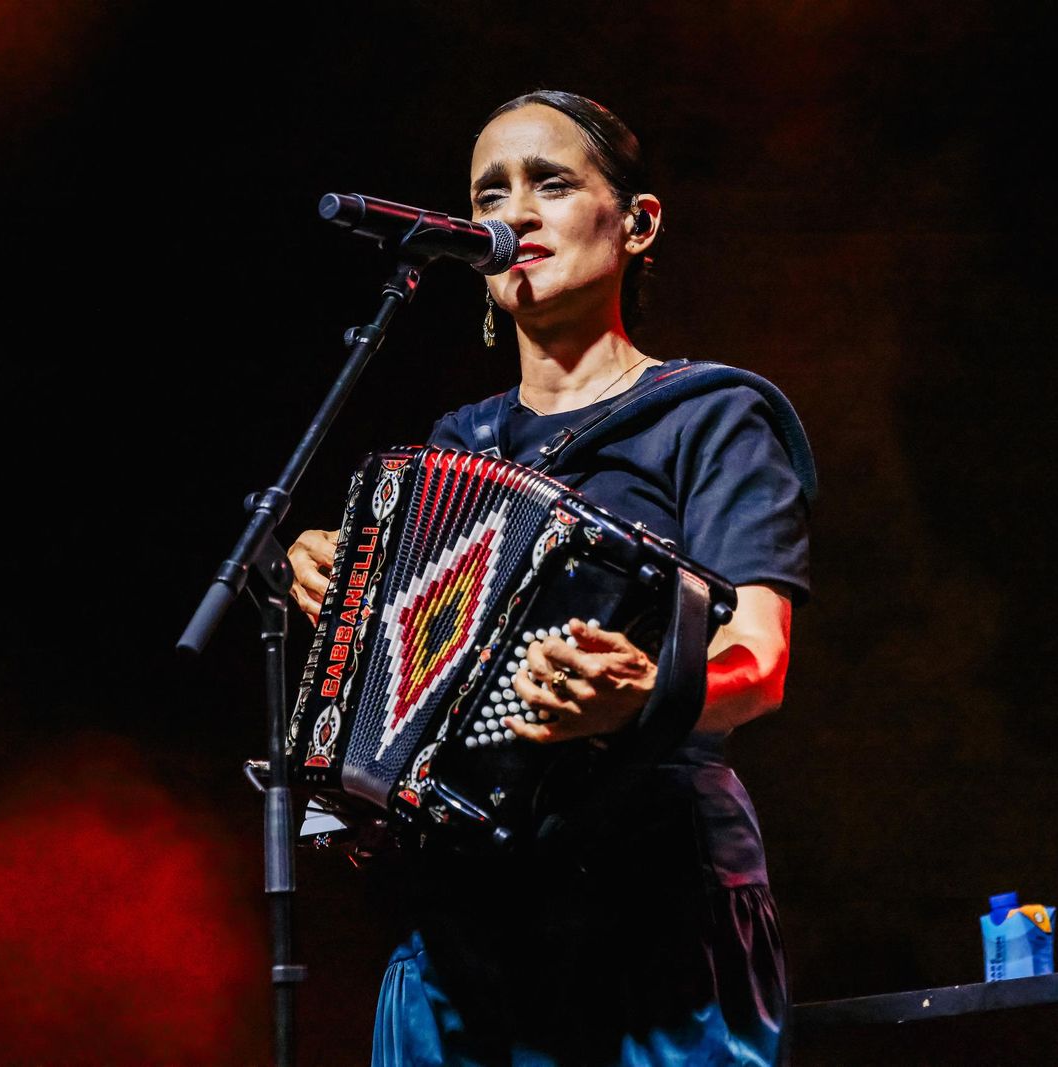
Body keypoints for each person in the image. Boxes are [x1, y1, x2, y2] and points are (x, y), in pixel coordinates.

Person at [288, 90, 811, 1067]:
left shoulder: (712, 417)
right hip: (465, 940)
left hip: (655, 922)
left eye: (551, 183)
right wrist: (340, 586)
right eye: (490, 190)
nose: (513, 213)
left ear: (639, 223)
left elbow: (760, 662)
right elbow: (408, 714)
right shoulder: (458, 446)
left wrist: (642, 695)